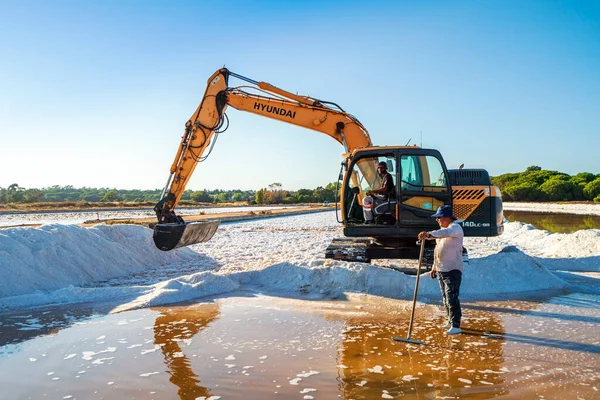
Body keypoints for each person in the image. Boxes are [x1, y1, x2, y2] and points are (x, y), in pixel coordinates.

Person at [418, 205, 464, 335]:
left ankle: (456, 325)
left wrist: (428, 234)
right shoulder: (442, 231)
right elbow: (437, 251)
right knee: (445, 297)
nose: (437, 220)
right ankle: (450, 321)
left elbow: (445, 233)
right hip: (442, 268)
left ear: (447, 217)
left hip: (452, 269)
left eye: (439, 217)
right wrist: (434, 267)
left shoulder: (454, 228)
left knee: (452, 297)